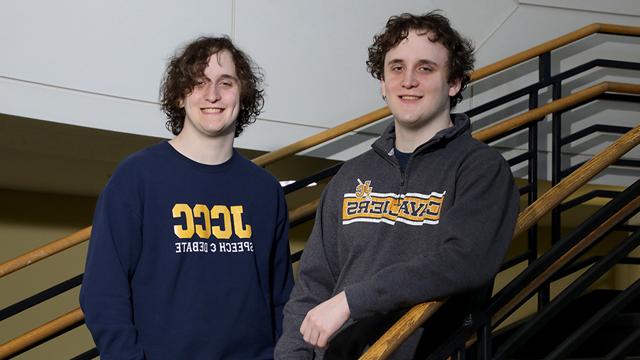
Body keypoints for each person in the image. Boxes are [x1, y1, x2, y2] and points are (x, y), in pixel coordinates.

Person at [275, 11, 519, 359]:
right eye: (397, 67)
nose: (408, 81)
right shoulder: (351, 176)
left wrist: (352, 301)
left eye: (425, 68)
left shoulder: (480, 169)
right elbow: (314, 285)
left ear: (454, 83)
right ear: (382, 82)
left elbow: (464, 261)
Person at [80, 36, 293, 359]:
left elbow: (282, 299)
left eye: (226, 82)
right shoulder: (137, 177)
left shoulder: (265, 190)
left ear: (242, 94)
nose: (213, 94)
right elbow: (102, 293)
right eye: (199, 82)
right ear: (180, 96)